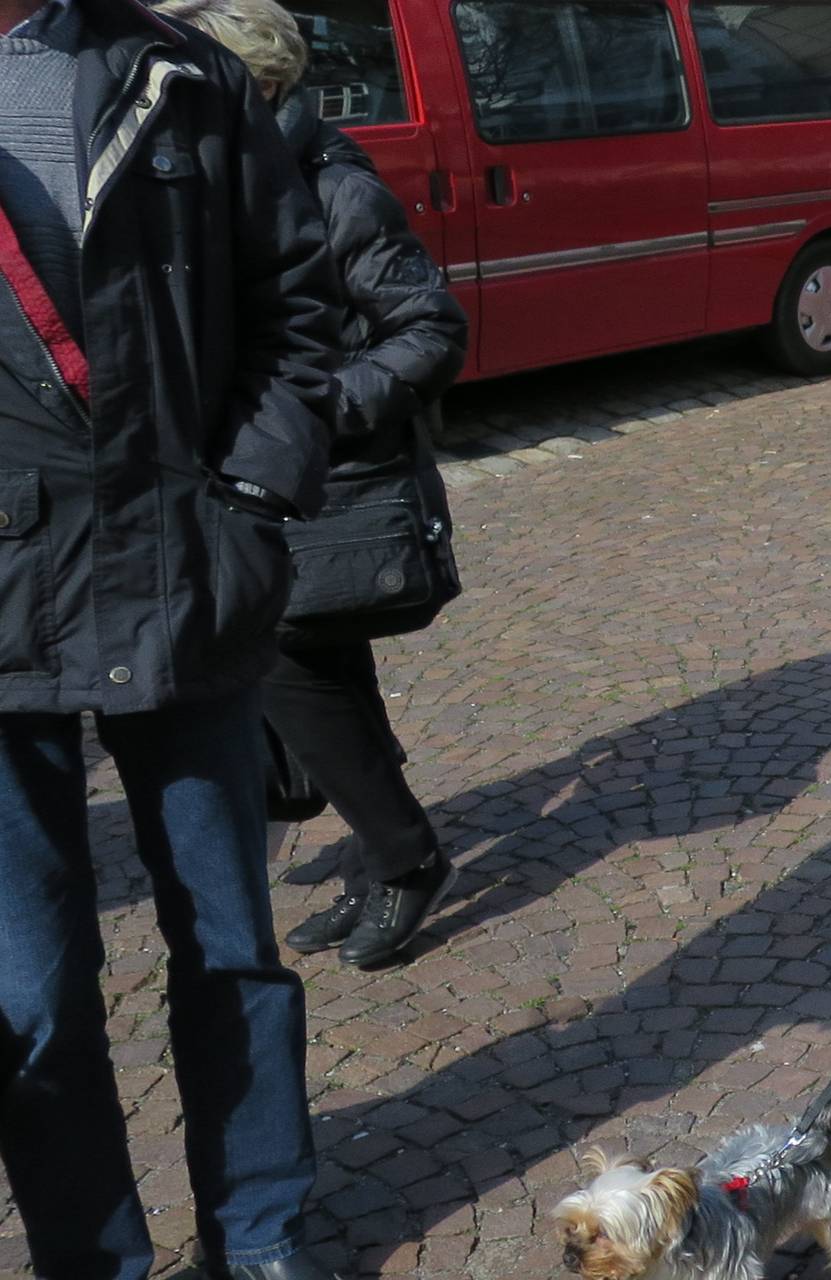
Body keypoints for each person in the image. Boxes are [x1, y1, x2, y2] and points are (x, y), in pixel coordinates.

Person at [0, 0, 349, 1276]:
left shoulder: (179, 70)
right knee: (32, 997)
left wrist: (253, 496)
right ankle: (94, 1260)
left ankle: (261, 1236)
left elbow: (298, 298)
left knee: (231, 950)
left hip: (177, 570)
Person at [154, 0, 469, 974]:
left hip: (332, 483)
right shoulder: (210, 186)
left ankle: (409, 855)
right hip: (258, 488)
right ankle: (385, 852)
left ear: (253, 87)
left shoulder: (331, 187)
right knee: (321, 668)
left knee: (287, 658)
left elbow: (431, 329)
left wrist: (312, 404)